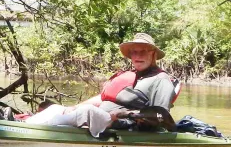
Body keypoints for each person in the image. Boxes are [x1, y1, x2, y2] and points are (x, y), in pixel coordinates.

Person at [26, 33, 180, 136]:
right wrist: (73, 107)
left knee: (86, 112)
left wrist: (125, 114)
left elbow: (161, 116)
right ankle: (21, 123)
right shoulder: (131, 75)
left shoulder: (161, 80)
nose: (137, 56)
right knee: (56, 108)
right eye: (134, 52)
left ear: (153, 54)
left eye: (143, 51)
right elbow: (103, 98)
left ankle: (31, 132)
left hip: (124, 125)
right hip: (105, 118)